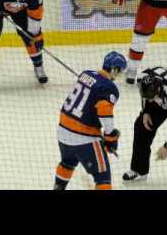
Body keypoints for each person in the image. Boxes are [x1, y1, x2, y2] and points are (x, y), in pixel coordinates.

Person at [54, 52, 127, 190]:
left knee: (67, 163)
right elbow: (104, 110)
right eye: (119, 71)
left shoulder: (85, 74)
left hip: (63, 131)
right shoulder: (109, 88)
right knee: (103, 178)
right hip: (84, 138)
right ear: (114, 69)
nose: (119, 75)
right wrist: (110, 136)